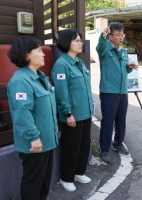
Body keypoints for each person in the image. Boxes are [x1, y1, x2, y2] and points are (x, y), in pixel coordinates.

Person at [7, 36, 58, 200]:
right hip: (35, 143)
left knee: (44, 181)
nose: (43, 53)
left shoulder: (40, 76)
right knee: (33, 182)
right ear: (27, 55)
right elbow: (22, 113)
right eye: (38, 50)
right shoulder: (20, 80)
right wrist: (33, 137)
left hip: (47, 140)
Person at [51, 29, 94, 192]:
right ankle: (66, 178)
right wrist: (67, 113)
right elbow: (62, 93)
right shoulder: (62, 65)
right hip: (72, 115)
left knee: (83, 145)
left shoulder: (79, 62)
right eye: (76, 40)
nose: (80, 43)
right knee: (71, 148)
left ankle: (78, 172)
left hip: (85, 112)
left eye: (81, 40)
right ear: (67, 42)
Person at [96, 22, 137, 163]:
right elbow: (99, 46)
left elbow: (124, 71)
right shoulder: (105, 50)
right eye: (118, 35)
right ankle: (104, 149)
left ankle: (118, 143)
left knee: (121, 120)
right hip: (108, 92)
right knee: (108, 121)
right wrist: (103, 36)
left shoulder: (124, 51)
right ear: (110, 36)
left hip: (122, 92)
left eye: (122, 34)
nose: (121, 38)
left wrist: (129, 68)